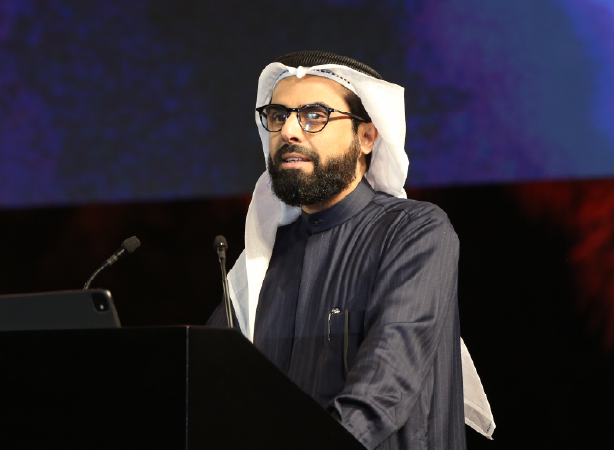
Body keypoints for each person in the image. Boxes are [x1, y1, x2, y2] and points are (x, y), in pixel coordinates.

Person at [208, 51, 493, 449]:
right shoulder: (259, 266)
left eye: (314, 116)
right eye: (278, 115)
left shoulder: (413, 232)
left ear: (366, 137)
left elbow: (384, 389)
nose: (289, 131)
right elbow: (208, 388)